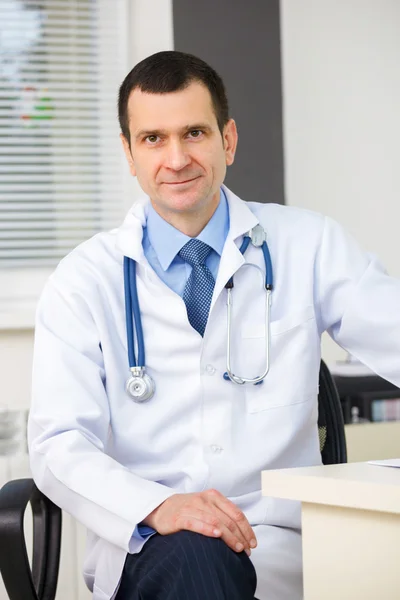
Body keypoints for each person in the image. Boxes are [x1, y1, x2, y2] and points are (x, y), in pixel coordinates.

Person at [28, 50, 400, 600]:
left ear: (227, 139)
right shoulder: (84, 280)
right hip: (151, 545)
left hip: (279, 544)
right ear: (129, 154)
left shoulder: (308, 245)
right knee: (195, 559)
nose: (176, 158)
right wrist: (159, 506)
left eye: (194, 133)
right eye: (153, 138)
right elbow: (58, 444)